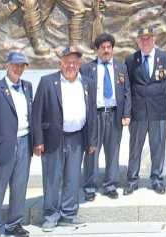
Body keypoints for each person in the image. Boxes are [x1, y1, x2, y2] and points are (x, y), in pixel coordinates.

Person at [31, 46, 97, 231]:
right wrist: (38, 141)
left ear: (80, 64)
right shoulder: (47, 82)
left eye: (75, 62)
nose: (71, 65)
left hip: (77, 138)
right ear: (60, 63)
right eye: (67, 62)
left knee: (72, 177)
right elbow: (37, 114)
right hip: (54, 139)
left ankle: (69, 213)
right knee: (52, 178)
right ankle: (51, 215)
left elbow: (92, 113)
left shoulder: (87, 83)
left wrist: (92, 140)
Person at [0, 51, 33, 237]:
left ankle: (14, 224)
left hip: (25, 142)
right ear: (7, 65)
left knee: (20, 186)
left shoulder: (28, 87)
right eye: (15, 65)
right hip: (3, 147)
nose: (18, 69)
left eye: (21, 66)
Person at [80, 33, 131, 201]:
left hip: (114, 115)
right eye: (103, 48)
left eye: (109, 47)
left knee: (113, 152)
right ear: (97, 50)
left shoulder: (120, 68)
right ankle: (89, 187)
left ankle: (110, 185)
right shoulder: (87, 69)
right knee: (92, 152)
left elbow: (127, 93)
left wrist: (126, 114)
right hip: (95, 116)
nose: (106, 50)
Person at [125, 27, 166, 195]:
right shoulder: (131, 59)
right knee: (135, 148)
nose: (145, 41)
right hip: (138, 112)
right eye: (142, 39)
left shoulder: (165, 58)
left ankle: (157, 179)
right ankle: (132, 180)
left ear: (154, 40)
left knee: (158, 147)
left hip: (158, 111)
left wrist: (156, 96)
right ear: (138, 41)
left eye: (148, 38)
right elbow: (128, 87)